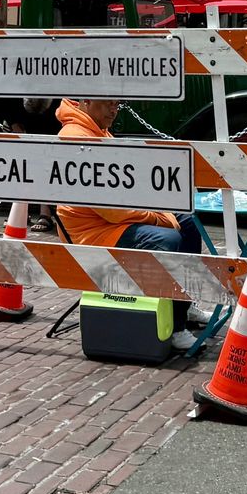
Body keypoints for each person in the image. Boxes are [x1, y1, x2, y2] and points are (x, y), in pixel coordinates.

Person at [54, 97, 204, 351]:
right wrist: (158, 217)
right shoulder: (76, 136)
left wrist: (162, 210)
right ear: (87, 101)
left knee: (188, 223)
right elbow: (110, 210)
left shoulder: (99, 131)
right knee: (167, 239)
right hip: (93, 231)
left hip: (112, 220)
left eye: (117, 103)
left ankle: (184, 306)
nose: (115, 109)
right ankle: (176, 327)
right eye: (109, 103)